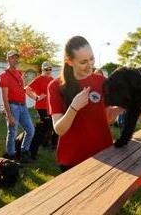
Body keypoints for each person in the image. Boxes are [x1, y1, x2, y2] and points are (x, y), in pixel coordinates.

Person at [48, 36, 123, 172]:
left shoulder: (102, 82)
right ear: (69, 61)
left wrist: (124, 106)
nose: (90, 65)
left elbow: (105, 118)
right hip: (73, 161)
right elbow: (59, 129)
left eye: (92, 59)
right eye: (83, 62)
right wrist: (74, 107)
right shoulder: (55, 87)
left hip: (104, 154)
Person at [0, 50, 34, 163]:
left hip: (23, 106)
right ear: (8, 59)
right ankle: (11, 156)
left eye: (16, 58)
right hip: (13, 106)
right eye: (12, 58)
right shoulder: (4, 75)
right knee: (12, 132)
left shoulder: (19, 73)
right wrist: (9, 116)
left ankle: (24, 152)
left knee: (30, 130)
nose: (14, 60)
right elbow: (4, 97)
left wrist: (27, 91)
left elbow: (21, 89)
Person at [25, 61, 58, 149]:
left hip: (50, 107)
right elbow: (27, 89)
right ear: (42, 69)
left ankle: (49, 143)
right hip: (42, 107)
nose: (48, 70)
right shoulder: (39, 79)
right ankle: (44, 144)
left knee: (52, 125)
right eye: (46, 69)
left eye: (50, 69)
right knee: (46, 126)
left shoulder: (51, 79)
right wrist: (37, 97)